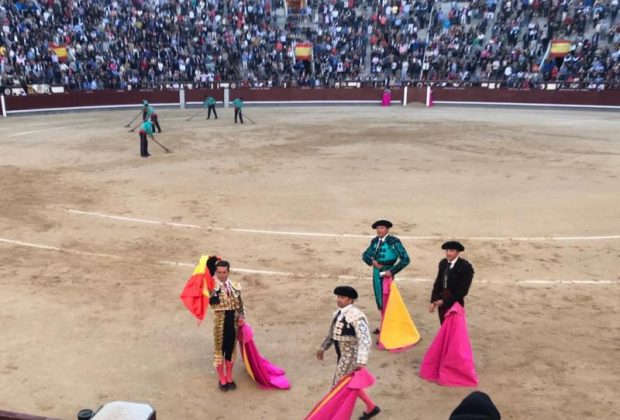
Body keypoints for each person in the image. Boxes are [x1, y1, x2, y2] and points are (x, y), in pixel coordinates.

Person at [316, 286, 380, 420]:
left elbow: (365, 339)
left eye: (342, 298)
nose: (339, 300)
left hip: (350, 356)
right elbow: (332, 334)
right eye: (338, 297)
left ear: (350, 300)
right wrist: (323, 347)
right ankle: (371, 407)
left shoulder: (357, 317)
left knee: (338, 386)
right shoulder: (338, 314)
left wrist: (361, 360)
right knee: (348, 384)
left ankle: (335, 414)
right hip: (342, 355)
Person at [362, 220, 410, 332]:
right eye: (378, 228)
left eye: (382, 228)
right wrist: (372, 262)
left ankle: (387, 327)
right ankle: (384, 323)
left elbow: (405, 259)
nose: (379, 230)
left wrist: (392, 271)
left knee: (386, 298)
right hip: (375, 273)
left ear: (387, 229)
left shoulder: (394, 242)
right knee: (379, 298)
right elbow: (365, 255)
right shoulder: (375, 241)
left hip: (387, 273)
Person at [208, 260, 246, 391]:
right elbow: (212, 303)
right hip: (220, 323)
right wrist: (214, 291)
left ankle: (229, 376)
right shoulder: (212, 287)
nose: (222, 275)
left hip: (233, 323)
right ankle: (221, 378)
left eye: (224, 272)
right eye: (219, 272)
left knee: (230, 350)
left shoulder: (235, 286)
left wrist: (241, 316)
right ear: (216, 272)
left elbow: (240, 304)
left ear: (228, 272)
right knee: (220, 351)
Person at [429, 241, 474, 324]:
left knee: (454, 327)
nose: (448, 253)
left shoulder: (465, 267)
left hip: (455, 302)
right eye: (447, 251)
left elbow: (462, 291)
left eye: (451, 251)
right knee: (443, 324)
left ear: (458, 252)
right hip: (442, 298)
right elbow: (438, 282)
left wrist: (444, 301)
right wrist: (433, 300)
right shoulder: (443, 263)